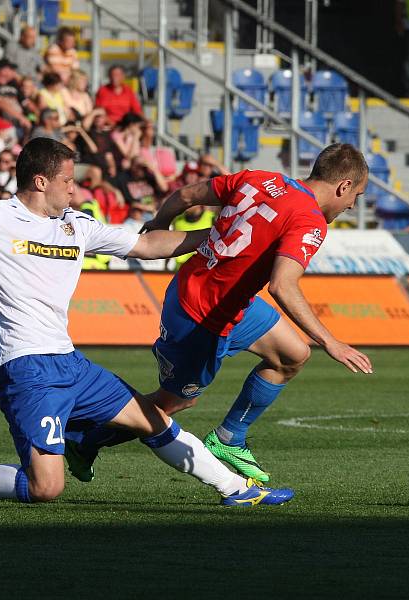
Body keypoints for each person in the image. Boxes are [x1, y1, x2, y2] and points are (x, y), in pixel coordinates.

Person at [0, 137, 294, 508]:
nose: (74, 188)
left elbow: (147, 244)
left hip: (70, 363)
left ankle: (237, 489)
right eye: (67, 180)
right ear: (41, 182)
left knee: (152, 418)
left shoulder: (76, 224)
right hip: (24, 368)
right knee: (46, 488)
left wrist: (223, 235)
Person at [66, 143, 373, 484]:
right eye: (356, 196)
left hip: (222, 301)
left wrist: (160, 222)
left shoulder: (260, 179)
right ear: (343, 186)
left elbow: (186, 195)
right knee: (172, 404)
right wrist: (331, 342)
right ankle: (83, 439)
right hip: (200, 317)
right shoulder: (309, 220)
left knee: (292, 354)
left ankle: (229, 438)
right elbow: (283, 286)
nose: (352, 205)